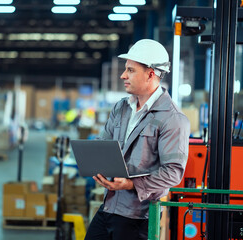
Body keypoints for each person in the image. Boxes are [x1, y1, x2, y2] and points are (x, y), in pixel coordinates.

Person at [85, 39, 190, 240]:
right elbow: (103, 145)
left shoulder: (172, 118)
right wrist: (97, 167)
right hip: (109, 207)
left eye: (131, 70)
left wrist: (130, 184)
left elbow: (173, 172)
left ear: (151, 74)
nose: (123, 75)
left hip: (138, 216)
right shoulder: (121, 107)